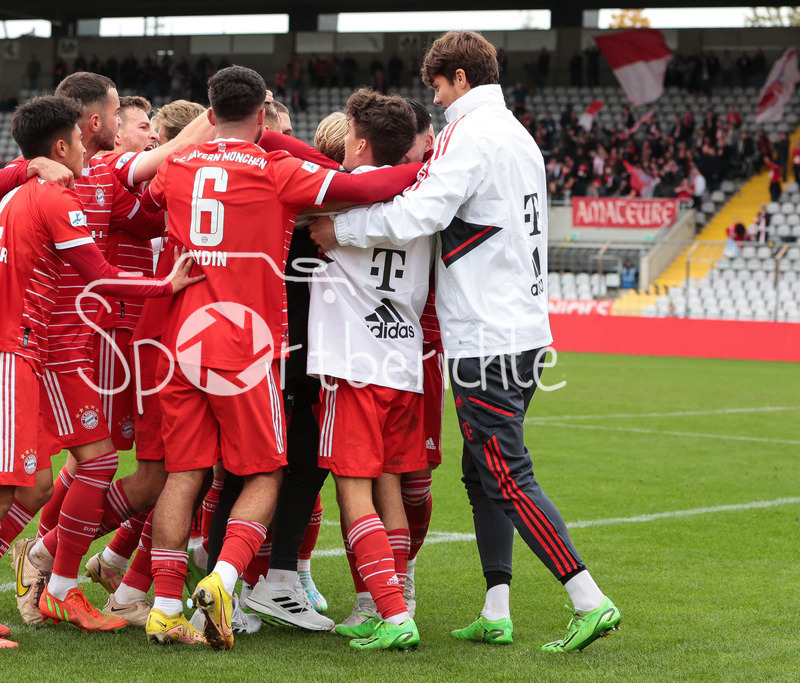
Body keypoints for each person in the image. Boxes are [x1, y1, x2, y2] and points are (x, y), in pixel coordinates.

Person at [310, 30, 622, 653]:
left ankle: (588, 597)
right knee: (481, 475)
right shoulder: (519, 136)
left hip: (488, 337)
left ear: (457, 77)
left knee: (507, 475)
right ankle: (496, 606)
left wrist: (341, 227)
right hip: (525, 328)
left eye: (437, 85)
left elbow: (421, 212)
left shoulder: (471, 134)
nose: (437, 98)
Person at [138, 65, 423, 649]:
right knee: (266, 472)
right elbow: (366, 187)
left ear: (208, 114)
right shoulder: (276, 171)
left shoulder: (177, 166)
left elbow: (143, 198)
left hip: (180, 337)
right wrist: (428, 165)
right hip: (244, 342)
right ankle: (223, 580)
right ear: (264, 117)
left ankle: (165, 607)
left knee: (185, 475)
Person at [0, 94, 198, 648]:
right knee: (1, 493)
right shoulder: (52, 198)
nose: (88, 150)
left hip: (9, 350)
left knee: (36, 486)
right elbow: (97, 271)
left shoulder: (8, 197)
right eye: (79, 139)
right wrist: (164, 286)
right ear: (62, 145)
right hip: (8, 352)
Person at [302, 88, 424, 651]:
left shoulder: (337, 206)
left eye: (350, 134)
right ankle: (390, 600)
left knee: (354, 496)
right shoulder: (423, 201)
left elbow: (290, 161)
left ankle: (393, 615)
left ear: (363, 143)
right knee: (390, 489)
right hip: (405, 363)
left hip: (352, 367)